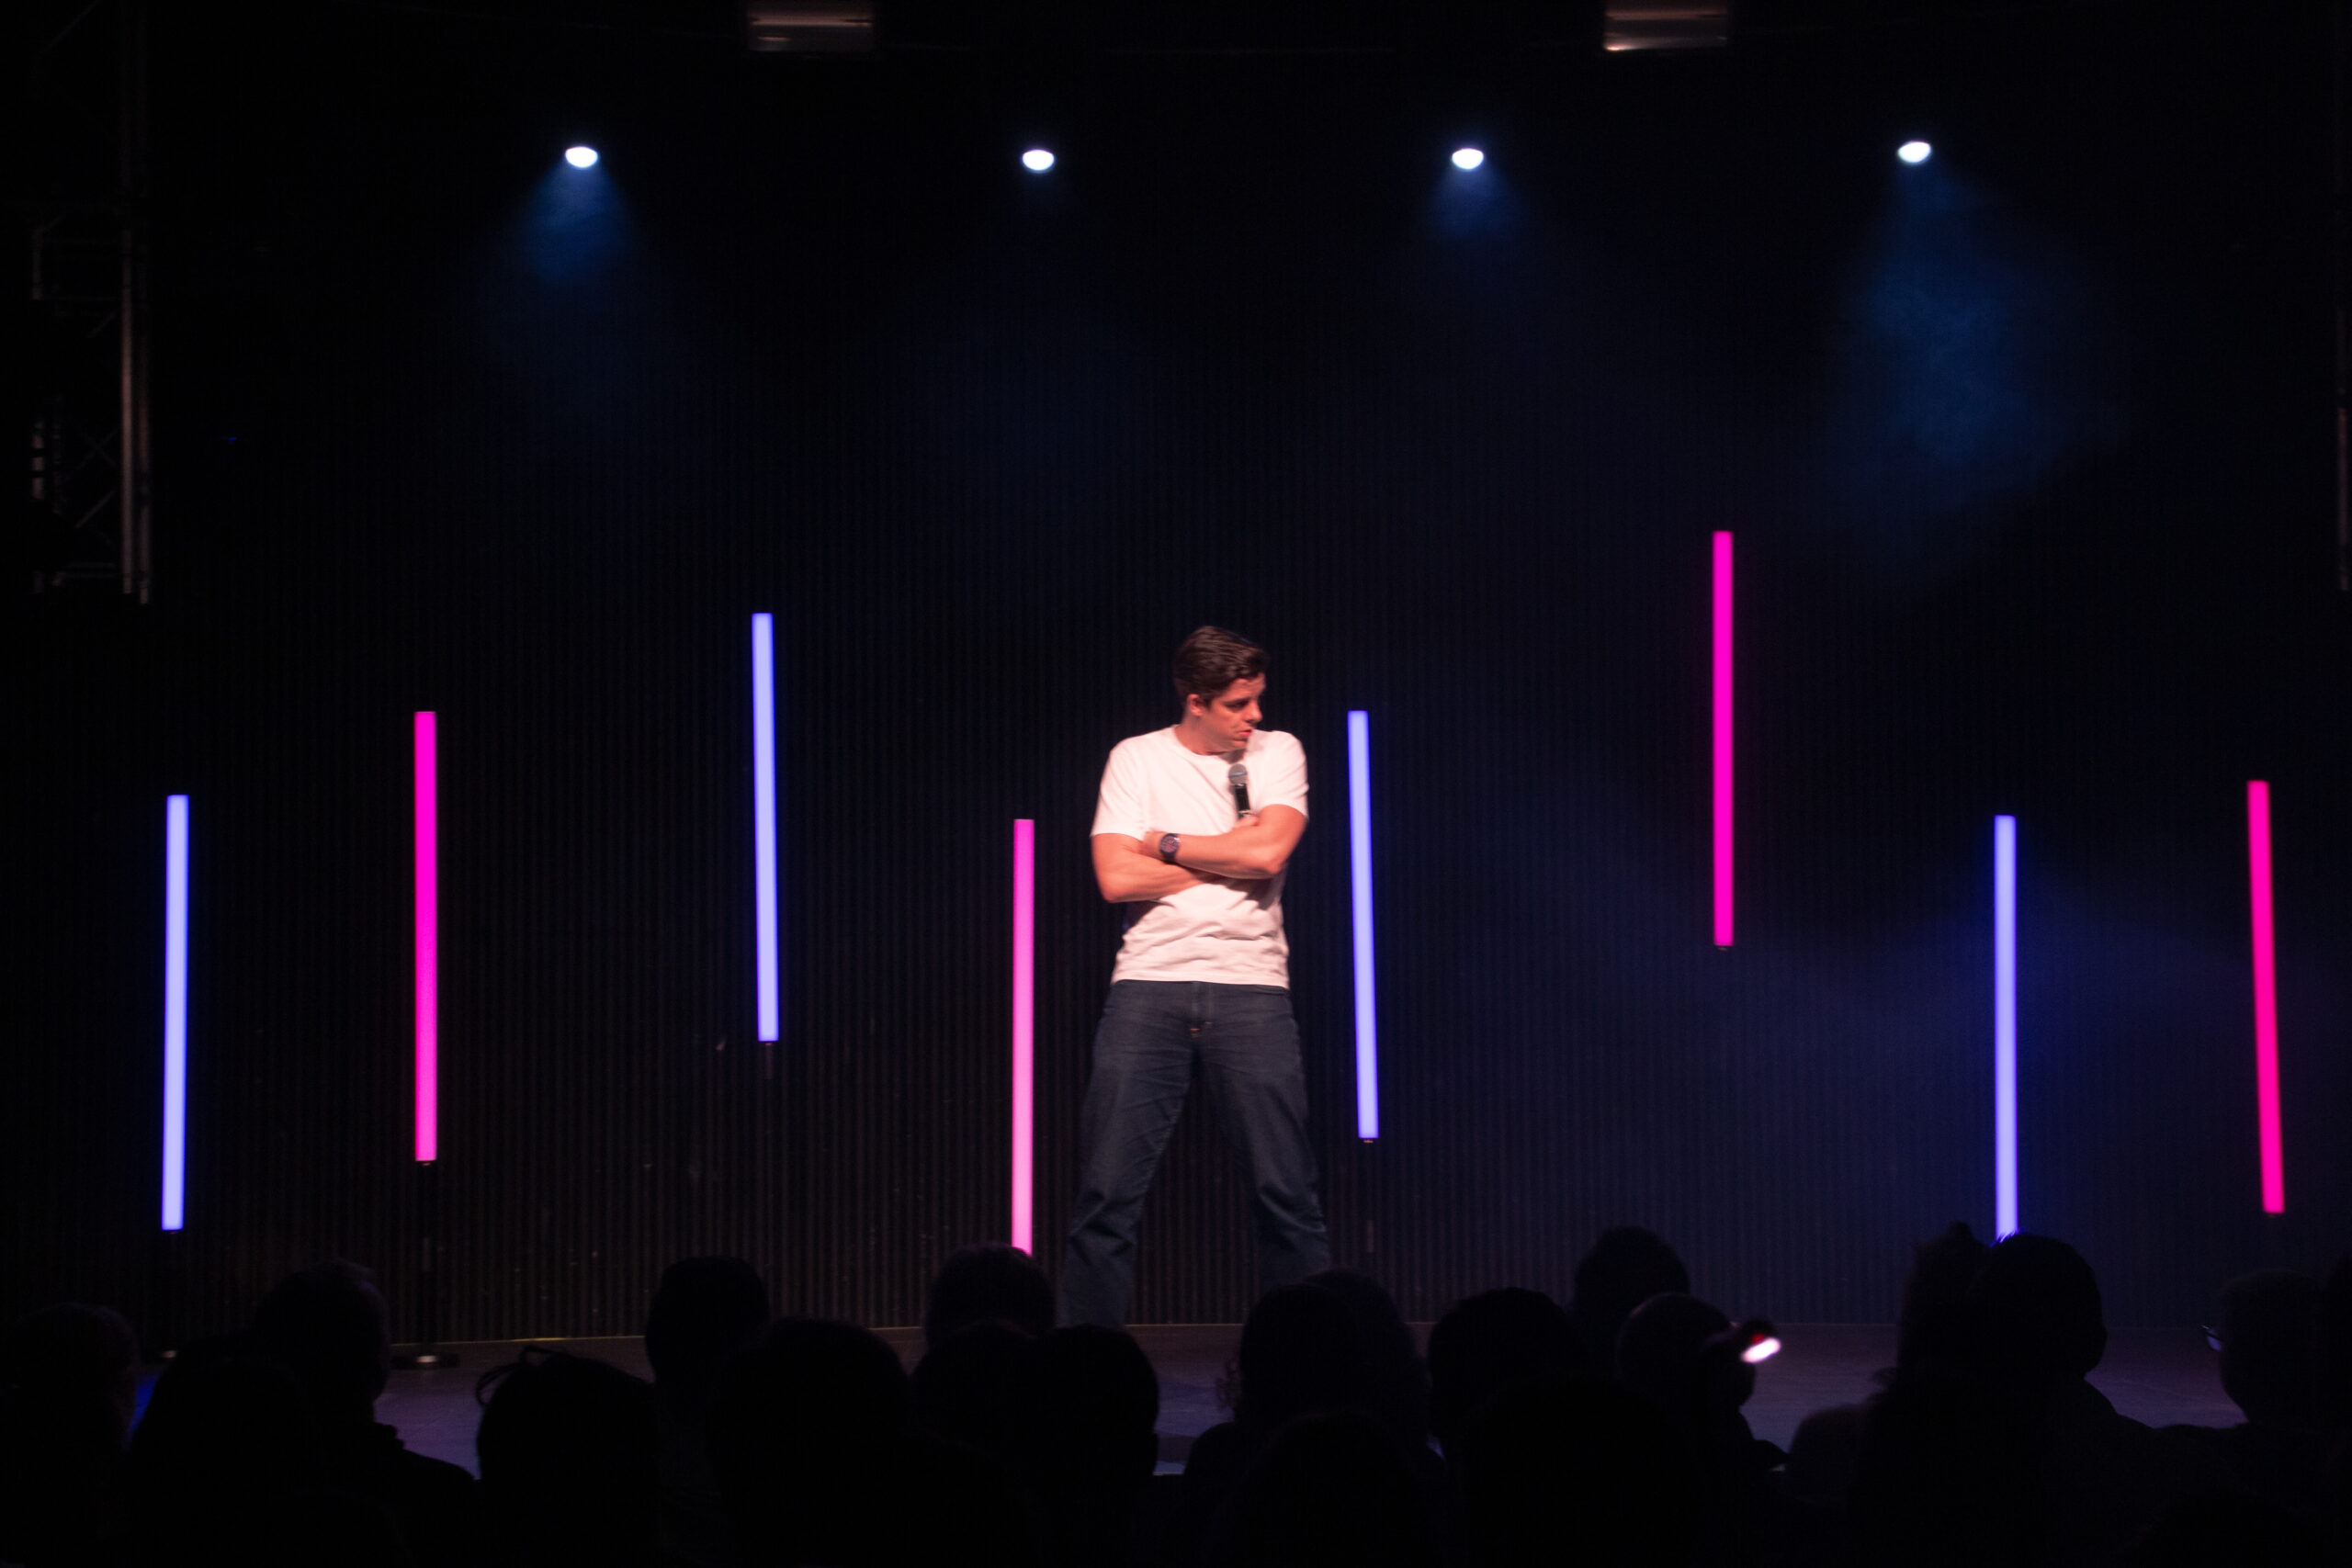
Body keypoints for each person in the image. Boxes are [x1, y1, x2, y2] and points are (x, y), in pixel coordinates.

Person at [1061, 626, 1329, 1329]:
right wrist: (1225, 855)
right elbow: (1115, 877)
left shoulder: (1279, 751)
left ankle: (1313, 1360)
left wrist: (1164, 841)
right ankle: (1084, 1366)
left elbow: (1267, 856)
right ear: (1196, 701)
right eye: (1238, 703)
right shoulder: (1136, 757)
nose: (1254, 716)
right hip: (1148, 986)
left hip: (1252, 989)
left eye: (1257, 699)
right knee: (1107, 1193)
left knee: (1286, 1191)